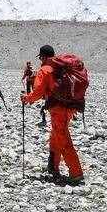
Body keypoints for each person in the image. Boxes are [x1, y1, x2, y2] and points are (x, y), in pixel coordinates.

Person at [21, 45, 84, 185]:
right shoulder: (61, 68)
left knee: (63, 139)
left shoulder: (45, 70)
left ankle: (76, 172)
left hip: (57, 109)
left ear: (42, 57)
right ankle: (53, 166)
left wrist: (27, 98)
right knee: (56, 136)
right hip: (69, 108)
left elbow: (38, 92)